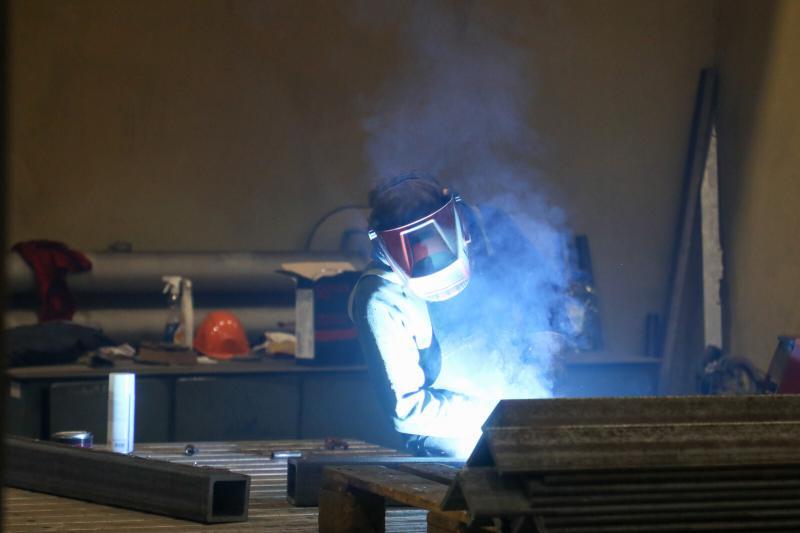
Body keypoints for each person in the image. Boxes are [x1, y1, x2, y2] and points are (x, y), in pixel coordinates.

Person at [349, 172, 575, 456]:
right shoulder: (380, 297)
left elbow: (547, 293)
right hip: (452, 434)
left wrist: (546, 351)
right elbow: (407, 410)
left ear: (457, 224)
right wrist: (495, 414)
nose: (429, 253)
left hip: (520, 398)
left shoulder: (489, 228)